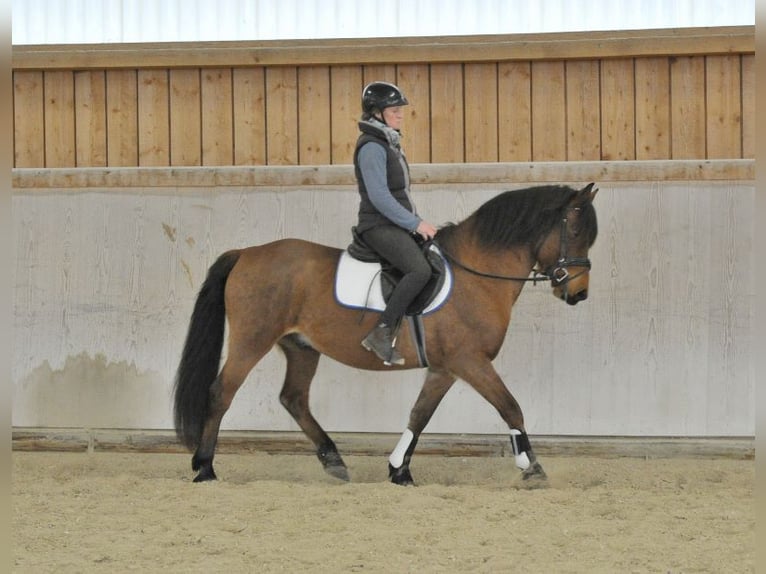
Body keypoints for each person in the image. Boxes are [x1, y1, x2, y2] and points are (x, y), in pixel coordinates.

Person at [353, 81, 438, 366]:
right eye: (394, 109)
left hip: (394, 224)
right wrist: (416, 223)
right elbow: (379, 197)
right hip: (378, 226)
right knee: (419, 270)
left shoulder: (388, 142)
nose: (400, 114)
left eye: (401, 109)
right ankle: (381, 331)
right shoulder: (372, 148)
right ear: (376, 112)